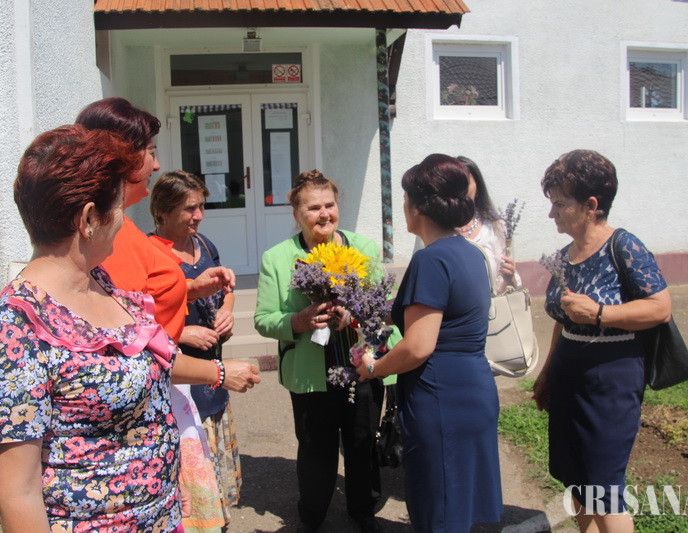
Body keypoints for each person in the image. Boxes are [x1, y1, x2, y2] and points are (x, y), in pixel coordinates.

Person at [0, 125, 208, 531]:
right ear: (89, 219)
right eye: (119, 206)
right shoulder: (12, 331)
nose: (124, 220)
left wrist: (162, 479)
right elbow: (18, 495)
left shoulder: (101, 284)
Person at [76, 97, 260, 531]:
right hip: (140, 416)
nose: (156, 164)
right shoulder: (107, 235)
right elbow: (132, 345)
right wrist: (218, 372)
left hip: (160, 405)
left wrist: (194, 288)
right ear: (121, 156)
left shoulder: (121, 227)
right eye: (150, 151)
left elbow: (137, 302)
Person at [355, 154, 503, 533]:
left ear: (417, 206)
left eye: (405, 199)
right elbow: (432, 311)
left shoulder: (430, 260)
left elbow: (418, 346)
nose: (403, 206)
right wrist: (361, 309)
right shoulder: (469, 252)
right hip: (472, 389)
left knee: (439, 511)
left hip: (441, 396)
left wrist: (373, 368)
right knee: (458, 507)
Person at [532, 150, 671, 532]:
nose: (552, 213)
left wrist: (598, 313)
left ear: (591, 205)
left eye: (560, 204)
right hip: (569, 374)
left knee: (604, 488)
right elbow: (563, 320)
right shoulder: (564, 256)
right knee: (577, 480)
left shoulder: (623, 246)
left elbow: (660, 307)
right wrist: (547, 372)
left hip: (611, 379)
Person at [253, 170, 385, 533]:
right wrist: (298, 320)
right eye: (313, 208)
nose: (324, 214)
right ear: (297, 214)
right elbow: (264, 319)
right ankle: (312, 515)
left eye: (330, 205)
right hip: (311, 372)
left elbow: (382, 307)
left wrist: (354, 316)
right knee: (315, 449)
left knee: (362, 444)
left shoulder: (364, 249)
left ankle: (363, 510)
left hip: (361, 367)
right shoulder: (278, 258)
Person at [149, 170, 241, 524]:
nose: (199, 215)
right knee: (191, 483)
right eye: (189, 209)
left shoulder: (204, 244)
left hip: (212, 373)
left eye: (201, 206)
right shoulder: (150, 254)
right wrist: (182, 332)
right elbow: (136, 319)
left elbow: (226, 291)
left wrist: (227, 311)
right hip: (178, 385)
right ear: (162, 211)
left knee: (214, 468)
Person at [455, 156, 520, 293]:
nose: (460, 190)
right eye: (455, 184)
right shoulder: (435, 228)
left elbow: (505, 286)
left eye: (465, 183)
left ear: (478, 187)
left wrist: (509, 278)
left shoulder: (495, 227)